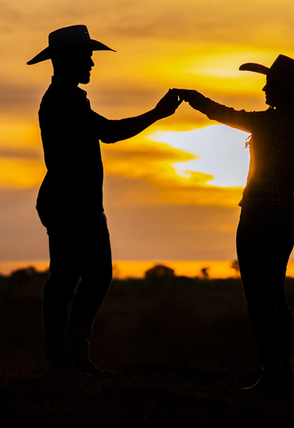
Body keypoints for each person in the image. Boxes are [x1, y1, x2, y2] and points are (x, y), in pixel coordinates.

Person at [28, 24, 181, 376]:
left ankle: (72, 354)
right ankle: (62, 358)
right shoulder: (62, 101)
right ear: (67, 61)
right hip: (70, 205)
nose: (92, 65)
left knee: (93, 278)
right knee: (66, 282)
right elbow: (110, 133)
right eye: (87, 58)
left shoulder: (70, 99)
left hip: (83, 205)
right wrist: (157, 114)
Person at [176, 55, 294, 394]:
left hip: (258, 215)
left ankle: (272, 373)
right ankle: (284, 369)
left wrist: (191, 96)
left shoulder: (269, 124)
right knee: (277, 294)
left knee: (258, 298)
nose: (264, 88)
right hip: (288, 218)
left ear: (282, 90)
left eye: (269, 84)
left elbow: (222, 114)